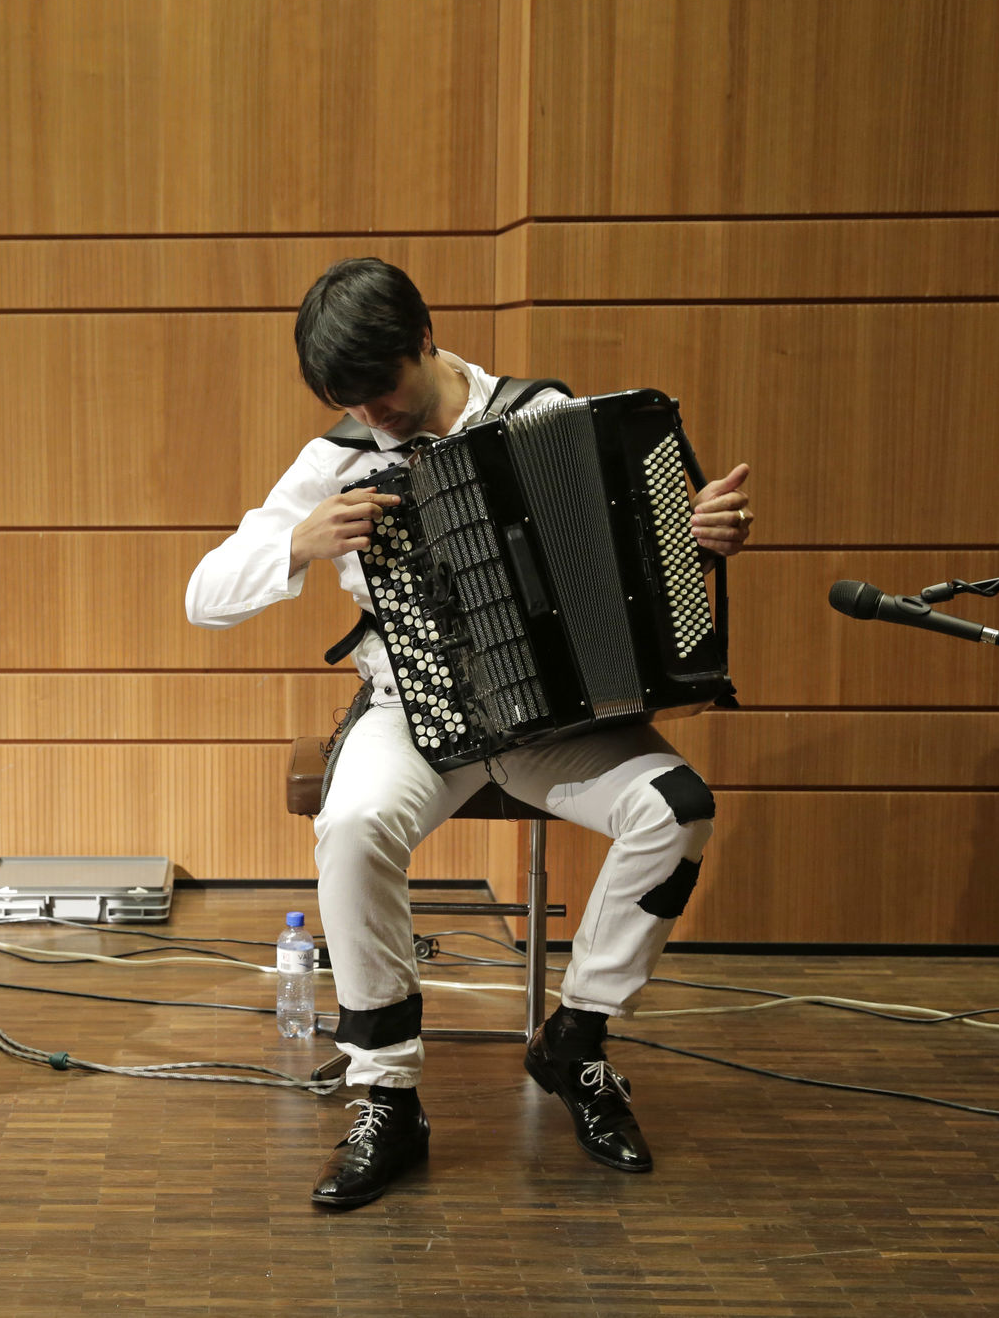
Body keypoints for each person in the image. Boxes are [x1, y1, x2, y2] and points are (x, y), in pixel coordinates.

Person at [185, 259, 754, 1210]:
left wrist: (692, 529)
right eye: (353, 403)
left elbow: (641, 558)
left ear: (426, 340)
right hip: (410, 710)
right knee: (353, 822)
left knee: (677, 811)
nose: (378, 417)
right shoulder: (335, 459)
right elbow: (204, 596)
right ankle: (388, 1093)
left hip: (546, 720)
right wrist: (298, 540)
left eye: (387, 391)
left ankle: (575, 1039)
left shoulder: (543, 416)